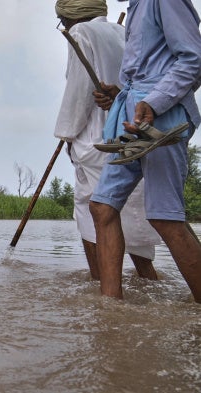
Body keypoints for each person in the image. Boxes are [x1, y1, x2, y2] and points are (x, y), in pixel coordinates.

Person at [89, 0, 201, 302]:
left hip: (163, 121)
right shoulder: (139, 5)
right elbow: (149, 66)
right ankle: (110, 310)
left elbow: (193, 60)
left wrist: (154, 101)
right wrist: (121, 92)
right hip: (133, 120)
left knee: (165, 216)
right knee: (102, 207)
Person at [53, 0, 159, 281]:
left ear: (67, 19)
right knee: (134, 210)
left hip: (95, 137)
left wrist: (67, 135)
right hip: (129, 131)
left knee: (91, 210)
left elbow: (78, 91)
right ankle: (148, 279)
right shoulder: (120, 31)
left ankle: (99, 282)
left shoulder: (80, 33)